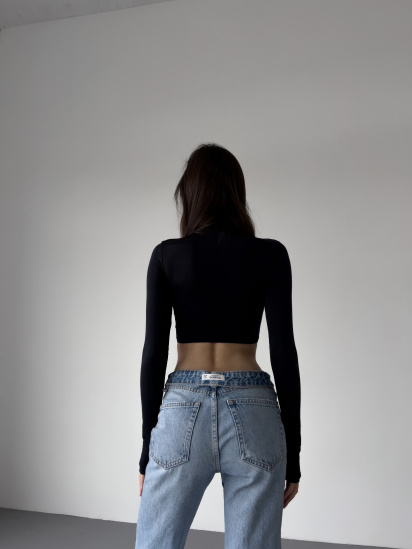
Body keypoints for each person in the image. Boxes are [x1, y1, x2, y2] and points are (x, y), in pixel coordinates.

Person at [135, 143, 301, 549]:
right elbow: (284, 354)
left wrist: (146, 449)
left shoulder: (166, 256)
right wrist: (294, 456)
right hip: (254, 409)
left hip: (182, 408)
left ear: (189, 194)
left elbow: (154, 354)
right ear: (237, 193)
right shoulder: (271, 255)